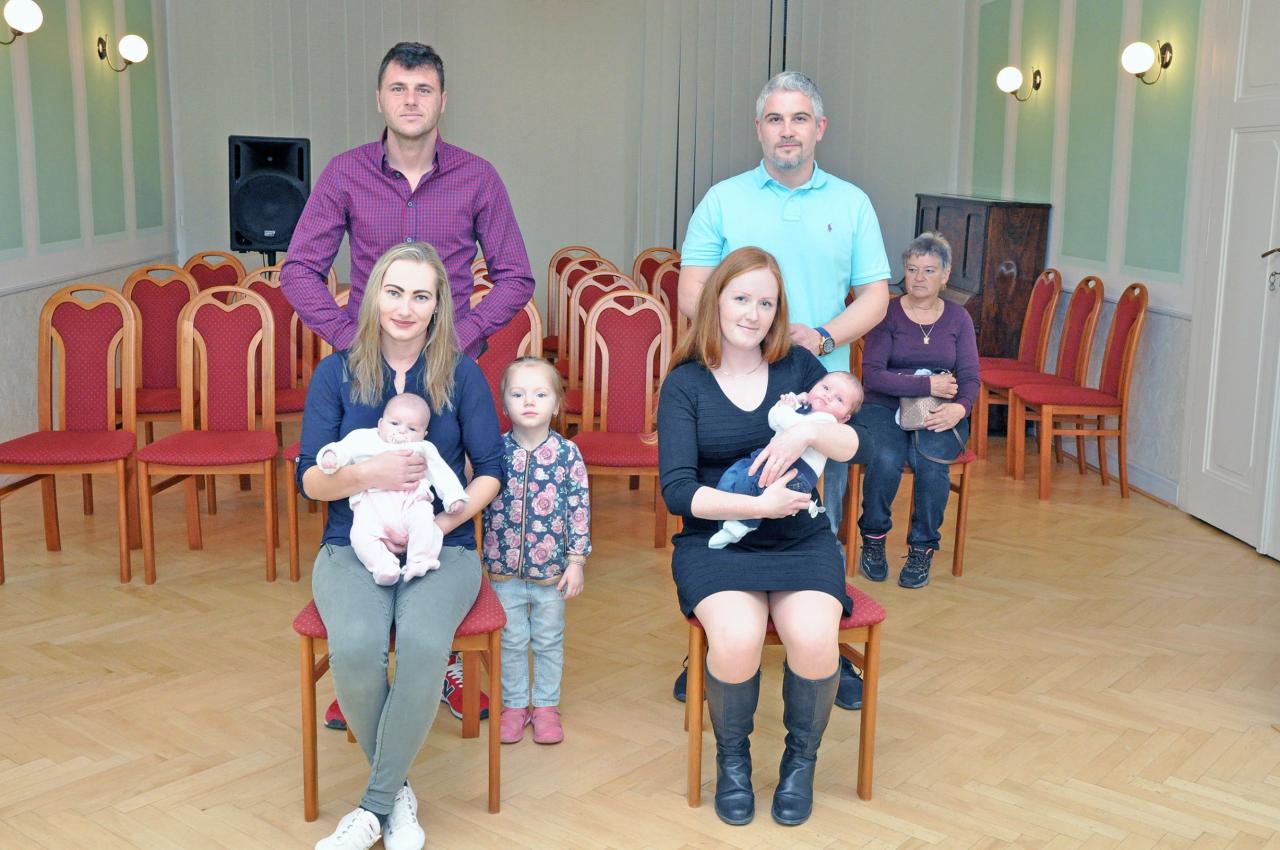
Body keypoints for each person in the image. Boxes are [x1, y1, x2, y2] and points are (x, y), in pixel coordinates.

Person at [283, 41, 532, 722]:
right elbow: (298, 269)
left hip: (444, 368)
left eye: (424, 89)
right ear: (381, 98)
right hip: (370, 367)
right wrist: (348, 338)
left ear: (442, 100)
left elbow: (515, 274)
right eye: (399, 88)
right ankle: (361, 669)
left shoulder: (477, 177)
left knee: (434, 498)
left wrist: (462, 339)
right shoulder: (345, 173)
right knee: (365, 503)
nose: (411, 100)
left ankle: (438, 662)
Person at [675, 69, 891, 709]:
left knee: (816, 521)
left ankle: (822, 648)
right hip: (734, 383)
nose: (787, 130)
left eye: (799, 119)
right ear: (759, 128)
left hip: (817, 397)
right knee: (726, 512)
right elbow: (693, 291)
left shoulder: (851, 203)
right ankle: (717, 647)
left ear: (819, 128)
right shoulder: (723, 199)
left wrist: (819, 339)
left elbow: (876, 296)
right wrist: (746, 337)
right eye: (775, 118)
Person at [297, 242, 502, 850]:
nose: (405, 308)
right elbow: (310, 479)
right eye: (394, 292)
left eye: (420, 295)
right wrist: (368, 474)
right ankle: (398, 796)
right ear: (373, 297)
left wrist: (433, 525)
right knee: (357, 645)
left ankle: (373, 808)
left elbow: (491, 472)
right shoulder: (335, 373)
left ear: (439, 305)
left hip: (443, 546)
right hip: (350, 543)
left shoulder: (462, 374)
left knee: (421, 642)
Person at [658, 247, 859, 827]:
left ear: (778, 311)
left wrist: (807, 434)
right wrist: (756, 505)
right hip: (717, 540)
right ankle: (734, 763)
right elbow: (678, 492)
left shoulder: (799, 367)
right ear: (716, 301)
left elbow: (857, 443)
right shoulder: (686, 383)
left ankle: (800, 765)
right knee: (738, 640)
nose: (752, 314)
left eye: (765, 303)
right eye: (741, 298)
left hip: (800, 540)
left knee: (815, 640)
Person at [856, 232, 979, 589]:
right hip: (884, 405)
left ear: (945, 274)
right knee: (886, 458)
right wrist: (927, 385)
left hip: (942, 409)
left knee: (931, 462)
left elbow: (970, 376)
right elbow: (873, 375)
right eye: (912, 269)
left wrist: (960, 409)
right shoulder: (887, 312)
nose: (919, 278)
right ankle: (874, 538)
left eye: (929, 270)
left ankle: (922, 548)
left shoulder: (958, 318)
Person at [482, 357, 591, 745]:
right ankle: (514, 706)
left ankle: (545, 706)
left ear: (557, 403)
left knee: (547, 641)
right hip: (503, 572)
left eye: (540, 394)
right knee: (510, 642)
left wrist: (576, 562)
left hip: (552, 574)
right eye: (518, 394)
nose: (529, 401)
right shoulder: (494, 452)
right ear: (504, 403)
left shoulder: (567, 454)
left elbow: (579, 509)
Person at [318, 392, 469, 585]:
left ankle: (420, 561)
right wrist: (330, 457)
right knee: (360, 536)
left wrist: (453, 496)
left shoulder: (423, 447)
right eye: (395, 423)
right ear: (380, 423)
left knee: (424, 522)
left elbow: (441, 472)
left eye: (412, 428)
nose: (402, 431)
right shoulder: (363, 438)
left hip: (411, 502)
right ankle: (383, 566)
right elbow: (342, 449)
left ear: (424, 434)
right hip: (372, 506)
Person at [709, 371, 863, 548]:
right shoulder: (804, 409)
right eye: (825, 388)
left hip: (797, 473)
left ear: (844, 418)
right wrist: (785, 404)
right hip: (771, 458)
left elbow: (789, 422)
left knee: (751, 480)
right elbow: (773, 421)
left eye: (839, 399)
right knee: (736, 471)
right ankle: (725, 511)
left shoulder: (827, 420)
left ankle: (741, 525)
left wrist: (788, 407)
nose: (828, 396)